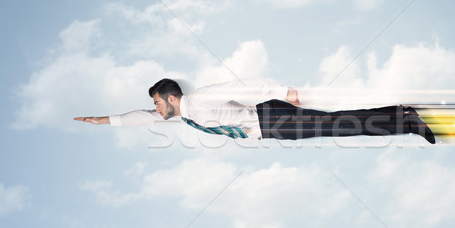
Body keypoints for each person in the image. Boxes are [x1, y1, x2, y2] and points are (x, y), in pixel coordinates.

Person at [74, 78, 436, 144]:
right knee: (340, 125)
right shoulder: (183, 113)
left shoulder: (197, 100)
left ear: (169, 97)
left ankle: (407, 119)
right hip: (271, 127)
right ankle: (404, 115)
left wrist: (282, 91)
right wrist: (103, 121)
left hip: (271, 117)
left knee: (341, 125)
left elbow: (239, 86)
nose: (154, 109)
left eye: (156, 102)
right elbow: (140, 116)